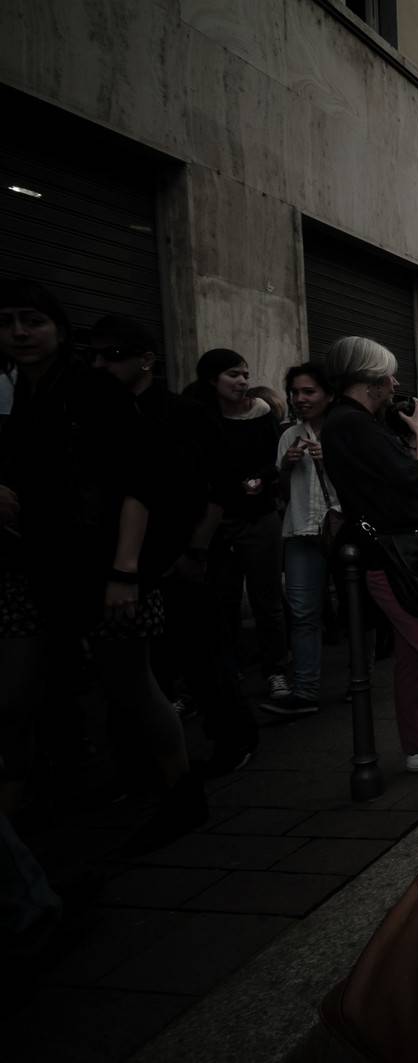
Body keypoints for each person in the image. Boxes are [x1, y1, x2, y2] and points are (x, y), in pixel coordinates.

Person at [0, 280, 206, 852]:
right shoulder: (23, 392)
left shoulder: (90, 391)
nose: (19, 332)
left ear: (58, 330)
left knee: (132, 685)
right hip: (37, 567)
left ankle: (181, 790)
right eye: (9, 321)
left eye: (32, 321)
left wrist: (124, 571)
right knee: (17, 696)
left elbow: (140, 481)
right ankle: (16, 816)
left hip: (104, 569)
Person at [86, 316, 257, 773]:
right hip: (134, 563)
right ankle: (141, 757)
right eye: (94, 355)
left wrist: (196, 551)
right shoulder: (97, 413)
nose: (101, 365)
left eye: (113, 355)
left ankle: (232, 741)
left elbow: (220, 489)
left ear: (146, 361)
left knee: (202, 651)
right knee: (146, 665)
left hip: (185, 555)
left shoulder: (182, 414)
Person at [318, 337, 418, 810]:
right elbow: (417, 480)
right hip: (395, 561)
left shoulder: (354, 423)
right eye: (389, 376)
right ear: (371, 380)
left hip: (391, 557)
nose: (396, 383)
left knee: (411, 657)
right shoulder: (351, 425)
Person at [183, 349, 291, 703]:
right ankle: (229, 671)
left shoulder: (262, 414)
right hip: (217, 523)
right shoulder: (199, 416)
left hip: (259, 519)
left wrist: (260, 479)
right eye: (233, 374)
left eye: (245, 374)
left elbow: (272, 462)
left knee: (268, 600)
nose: (243, 381)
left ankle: (276, 670)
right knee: (222, 600)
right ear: (213, 379)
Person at [265, 363, 341, 717]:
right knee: (302, 613)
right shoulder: (288, 436)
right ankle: (306, 690)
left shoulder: (343, 432)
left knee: (356, 611)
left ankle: (359, 682)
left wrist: (329, 463)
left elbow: (362, 484)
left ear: (328, 393)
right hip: (299, 533)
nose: (300, 399)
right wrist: (286, 467)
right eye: (295, 392)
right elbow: (279, 494)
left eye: (308, 391)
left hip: (341, 533)